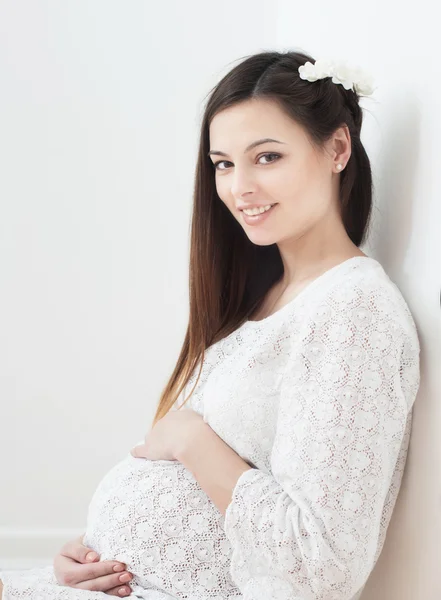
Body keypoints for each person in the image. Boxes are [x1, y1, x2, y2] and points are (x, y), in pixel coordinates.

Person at [0, 49, 421, 600]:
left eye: (267, 157)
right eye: (223, 163)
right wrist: (88, 553)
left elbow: (323, 565)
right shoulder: (263, 294)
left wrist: (191, 438)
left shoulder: (354, 310)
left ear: (338, 148)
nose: (238, 188)